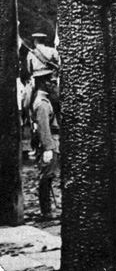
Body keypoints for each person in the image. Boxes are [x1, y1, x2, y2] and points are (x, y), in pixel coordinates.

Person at [31, 70, 60, 220]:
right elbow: (43, 127)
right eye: (52, 82)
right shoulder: (42, 104)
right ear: (44, 82)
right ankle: (46, 211)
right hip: (50, 142)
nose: (54, 85)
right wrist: (48, 148)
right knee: (46, 177)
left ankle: (47, 208)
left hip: (52, 141)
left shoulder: (44, 100)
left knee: (48, 176)